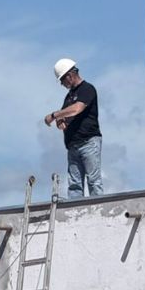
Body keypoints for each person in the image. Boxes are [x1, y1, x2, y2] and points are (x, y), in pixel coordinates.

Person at [44, 58, 102, 199]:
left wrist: (54, 115)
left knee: (93, 181)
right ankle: (75, 213)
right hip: (73, 145)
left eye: (62, 81)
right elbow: (64, 117)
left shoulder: (87, 89)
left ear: (69, 76)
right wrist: (60, 122)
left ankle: (98, 210)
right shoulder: (69, 97)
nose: (62, 85)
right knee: (74, 184)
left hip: (88, 142)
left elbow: (77, 108)